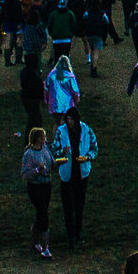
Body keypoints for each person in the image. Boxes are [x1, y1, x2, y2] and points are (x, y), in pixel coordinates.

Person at [51, 111, 97, 248]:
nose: (69, 122)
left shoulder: (86, 130)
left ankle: (78, 233)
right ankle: (71, 235)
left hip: (81, 173)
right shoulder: (61, 131)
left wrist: (88, 157)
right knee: (68, 206)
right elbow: (54, 149)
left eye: (71, 119)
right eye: (68, 119)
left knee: (79, 205)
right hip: (67, 173)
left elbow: (94, 148)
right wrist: (62, 152)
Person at [22, 126, 57, 259]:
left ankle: (34, 242)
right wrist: (37, 170)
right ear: (38, 139)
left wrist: (58, 163)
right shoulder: (29, 154)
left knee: (41, 213)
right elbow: (25, 175)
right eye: (43, 137)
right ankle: (46, 247)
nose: (45, 139)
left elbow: (52, 162)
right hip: (35, 187)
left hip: (46, 185)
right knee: (43, 213)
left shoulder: (46, 149)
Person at [48, 53, 84, 130]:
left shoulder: (51, 75)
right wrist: (77, 99)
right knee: (64, 123)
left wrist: (47, 100)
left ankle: (55, 139)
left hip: (54, 103)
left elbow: (46, 88)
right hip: (67, 104)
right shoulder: (70, 76)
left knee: (57, 123)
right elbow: (75, 91)